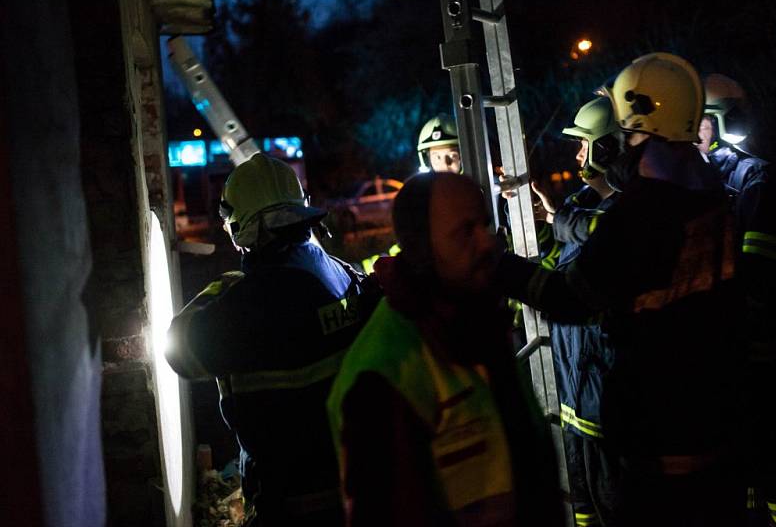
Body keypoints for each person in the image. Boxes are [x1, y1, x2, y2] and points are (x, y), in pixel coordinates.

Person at [497, 53, 747, 527]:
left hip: (662, 441)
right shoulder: (711, 193)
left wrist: (496, 266)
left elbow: (569, 298)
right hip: (718, 425)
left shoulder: (647, 211)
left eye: (626, 135)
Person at [327, 171, 563, 527]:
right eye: (465, 231)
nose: (486, 243)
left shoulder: (476, 321)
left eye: (485, 224)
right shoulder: (383, 371)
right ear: (422, 248)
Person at [165, 153, 378, 526]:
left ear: (239, 226)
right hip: (364, 494)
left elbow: (180, 351)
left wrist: (223, 288)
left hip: (288, 507)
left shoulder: (244, 302)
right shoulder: (346, 277)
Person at [702, 74, 776, 525]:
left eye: (702, 119)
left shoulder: (756, 176)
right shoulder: (704, 179)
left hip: (764, 363)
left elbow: (763, 277)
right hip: (725, 363)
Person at [529, 96, 623, 527]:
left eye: (585, 145)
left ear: (608, 148)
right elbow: (560, 272)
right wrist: (545, 235)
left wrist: (562, 219)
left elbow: (610, 243)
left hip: (608, 404)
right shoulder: (581, 207)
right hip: (576, 402)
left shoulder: (626, 211)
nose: (579, 155)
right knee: (584, 511)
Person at [360, 114, 462, 275]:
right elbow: (410, 242)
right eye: (437, 157)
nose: (445, 164)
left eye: (453, 156)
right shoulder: (420, 197)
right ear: (426, 159)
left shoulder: (479, 187)